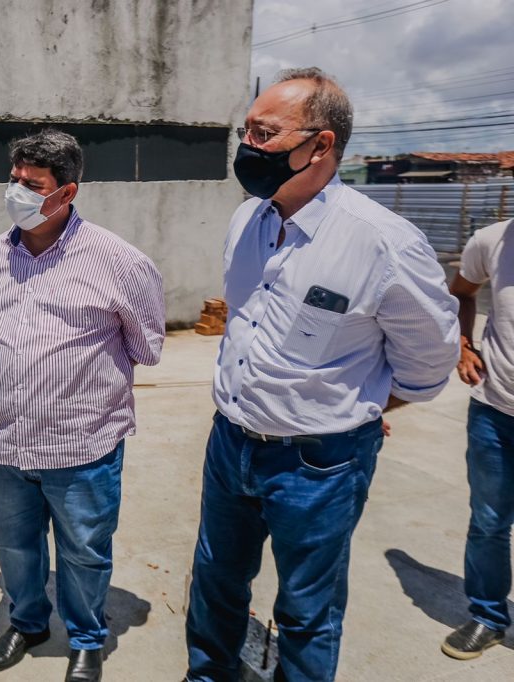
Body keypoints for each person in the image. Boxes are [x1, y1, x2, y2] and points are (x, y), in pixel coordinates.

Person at [183, 68, 460, 682]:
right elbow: (245, 325)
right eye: (246, 130)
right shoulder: (246, 221)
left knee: (307, 609)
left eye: (265, 132)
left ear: (321, 145)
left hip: (320, 463)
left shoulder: (382, 243)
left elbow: (429, 361)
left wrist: (358, 407)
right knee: (215, 581)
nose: (248, 146)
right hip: (230, 442)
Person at [0, 129, 166, 682]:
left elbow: (146, 345)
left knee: (83, 551)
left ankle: (86, 637)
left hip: (83, 447)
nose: (18, 193)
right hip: (4, 444)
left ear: (68, 192)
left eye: (33, 185)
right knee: (15, 547)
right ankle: (28, 622)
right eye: (14, 181)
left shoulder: (118, 260)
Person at [442, 217, 514, 660]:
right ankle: (487, 616)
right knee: (488, 523)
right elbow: (461, 294)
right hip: (495, 411)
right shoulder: (491, 240)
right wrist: (463, 345)